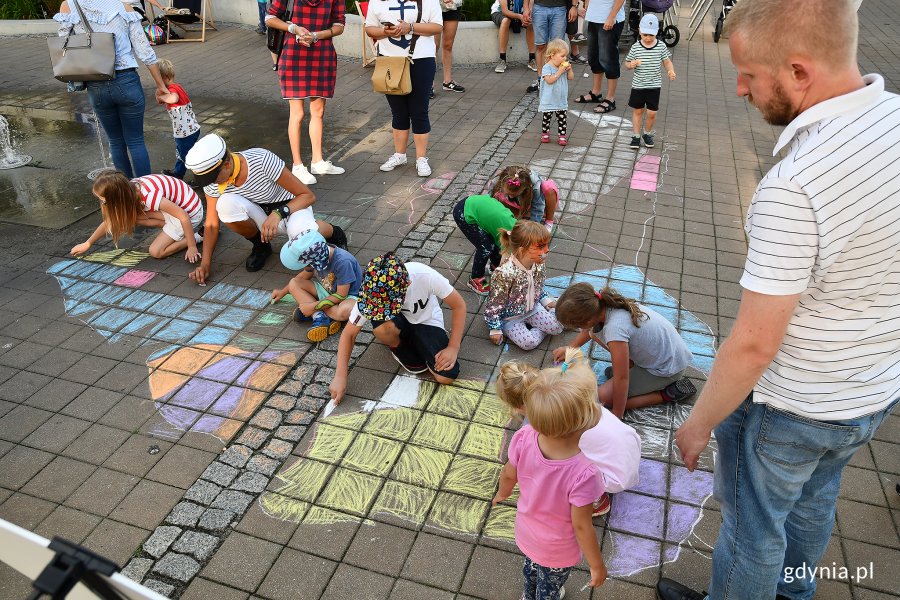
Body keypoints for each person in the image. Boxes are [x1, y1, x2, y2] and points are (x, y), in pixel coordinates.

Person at [657, 1, 900, 599]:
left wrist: (697, 423)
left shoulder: (796, 185)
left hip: (792, 407)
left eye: (748, 74)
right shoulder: (893, 118)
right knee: (813, 508)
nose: (737, 88)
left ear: (798, 72)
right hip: (869, 393)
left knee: (751, 532)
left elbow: (755, 342)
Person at [493, 348, 609, 598]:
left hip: (527, 530)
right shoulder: (585, 472)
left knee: (531, 569)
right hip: (557, 547)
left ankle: (528, 595)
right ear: (583, 421)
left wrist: (502, 494)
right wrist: (597, 565)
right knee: (550, 585)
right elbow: (581, 525)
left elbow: (508, 475)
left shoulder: (524, 436)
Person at [184, 133, 347, 284]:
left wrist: (278, 213)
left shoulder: (261, 159)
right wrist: (205, 264)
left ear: (226, 164)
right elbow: (212, 224)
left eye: (212, 177)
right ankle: (261, 246)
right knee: (224, 205)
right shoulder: (213, 183)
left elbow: (307, 196)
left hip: (291, 207)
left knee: (303, 243)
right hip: (260, 214)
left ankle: (334, 232)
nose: (211, 182)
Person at [496, 349, 641, 516]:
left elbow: (517, 469)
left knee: (556, 468)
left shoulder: (550, 426)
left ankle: (596, 501)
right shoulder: (569, 395)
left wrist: (504, 491)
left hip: (615, 475)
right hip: (629, 448)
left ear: (518, 408)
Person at [329, 252, 465, 404]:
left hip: (426, 322)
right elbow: (349, 334)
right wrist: (340, 376)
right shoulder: (372, 291)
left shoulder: (424, 276)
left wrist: (453, 347)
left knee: (446, 377)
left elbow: (459, 305)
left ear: (408, 284)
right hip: (395, 324)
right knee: (385, 330)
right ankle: (398, 346)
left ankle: (418, 345)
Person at [54, 0, 169, 179]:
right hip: (127, 80)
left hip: (96, 84)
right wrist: (161, 85)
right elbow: (144, 50)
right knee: (136, 141)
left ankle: (124, 195)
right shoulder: (125, 8)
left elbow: (64, 43)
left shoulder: (69, 6)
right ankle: (146, 194)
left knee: (115, 142)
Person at [553, 283, 696, 419]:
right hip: (664, 355)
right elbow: (589, 331)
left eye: (576, 325)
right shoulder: (604, 305)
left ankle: (667, 394)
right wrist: (570, 348)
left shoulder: (615, 330)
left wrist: (616, 415)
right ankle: (632, 369)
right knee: (596, 336)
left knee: (603, 399)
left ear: (588, 320)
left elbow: (622, 379)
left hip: (666, 369)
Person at [265, 0, 345, 185]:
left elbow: (339, 25)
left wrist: (316, 35)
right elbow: (270, 18)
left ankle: (318, 162)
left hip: (322, 54)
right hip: (293, 55)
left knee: (318, 112)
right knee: (297, 113)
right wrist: (294, 28)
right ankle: (298, 166)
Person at [365, 0, 443, 177]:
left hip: (421, 59)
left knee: (419, 110)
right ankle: (400, 155)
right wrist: (385, 31)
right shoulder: (377, 1)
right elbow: (369, 28)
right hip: (389, 61)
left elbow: (437, 26)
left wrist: (411, 28)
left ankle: (421, 158)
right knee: (398, 111)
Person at [71, 171, 203, 262]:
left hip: (190, 212)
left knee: (156, 251)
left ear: (117, 198)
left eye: (104, 200)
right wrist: (88, 243)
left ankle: (199, 236)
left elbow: (183, 216)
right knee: (132, 217)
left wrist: (191, 246)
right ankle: (175, 229)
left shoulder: (148, 196)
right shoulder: (128, 189)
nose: (103, 203)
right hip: (177, 208)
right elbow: (111, 221)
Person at [272, 229, 363, 343]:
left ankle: (317, 314)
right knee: (294, 283)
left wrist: (311, 307)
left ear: (316, 261)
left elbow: (341, 296)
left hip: (349, 297)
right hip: (328, 292)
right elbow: (302, 277)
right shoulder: (316, 255)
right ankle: (321, 316)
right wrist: (283, 291)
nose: (307, 266)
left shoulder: (343, 262)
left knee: (345, 311)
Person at [484, 221, 563, 350]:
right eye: (541, 247)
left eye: (546, 245)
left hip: (532, 308)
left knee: (557, 328)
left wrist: (545, 301)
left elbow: (538, 287)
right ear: (522, 250)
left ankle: (554, 313)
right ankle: (548, 321)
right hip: (510, 318)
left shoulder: (539, 263)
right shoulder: (505, 273)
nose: (547, 250)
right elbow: (494, 303)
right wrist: (495, 328)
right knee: (528, 343)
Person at [624, 14, 675, 149]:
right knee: (638, 111)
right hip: (638, 85)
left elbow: (667, 61)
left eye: (651, 35)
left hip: (654, 85)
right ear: (640, 31)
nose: (647, 38)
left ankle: (647, 133)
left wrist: (670, 71)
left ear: (656, 33)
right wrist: (631, 64)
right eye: (645, 34)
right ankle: (635, 136)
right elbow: (627, 63)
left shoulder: (661, 46)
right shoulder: (636, 47)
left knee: (652, 113)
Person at [452, 194, 520, 295]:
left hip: (477, 204)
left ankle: (495, 264)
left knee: (492, 243)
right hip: (464, 212)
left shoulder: (516, 229)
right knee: (486, 248)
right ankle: (475, 278)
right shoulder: (512, 239)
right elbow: (506, 256)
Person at [574, 0, 624, 113]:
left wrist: (612, 16)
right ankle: (596, 93)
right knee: (594, 57)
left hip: (609, 19)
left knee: (608, 58)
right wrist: (586, 5)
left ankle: (610, 98)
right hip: (594, 17)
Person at [156, 59, 201, 180]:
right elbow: (160, 100)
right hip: (187, 130)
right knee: (182, 153)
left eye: (157, 79)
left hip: (186, 132)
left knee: (187, 156)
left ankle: (201, 176)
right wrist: (160, 93)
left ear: (163, 77)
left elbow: (173, 99)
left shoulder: (173, 90)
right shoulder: (175, 87)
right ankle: (178, 173)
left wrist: (162, 95)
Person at [523, 0, 576, 94]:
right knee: (540, 46)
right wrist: (526, 7)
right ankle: (541, 80)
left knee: (558, 48)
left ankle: (556, 81)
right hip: (539, 7)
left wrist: (574, 6)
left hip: (560, 8)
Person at [490, 165, 559, 230]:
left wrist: (533, 226)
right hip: (520, 205)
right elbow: (490, 201)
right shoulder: (498, 180)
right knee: (498, 197)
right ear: (501, 183)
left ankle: (549, 221)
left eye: (514, 194)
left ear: (525, 188)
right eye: (508, 194)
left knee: (547, 187)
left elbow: (538, 207)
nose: (511, 196)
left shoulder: (535, 186)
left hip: (533, 202)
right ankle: (520, 215)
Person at [539, 38, 574, 145]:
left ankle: (562, 136)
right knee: (547, 117)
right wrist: (559, 72)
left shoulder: (562, 67)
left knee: (562, 118)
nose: (565, 59)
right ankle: (545, 133)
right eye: (562, 56)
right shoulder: (546, 67)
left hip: (560, 97)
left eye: (566, 56)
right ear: (552, 55)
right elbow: (549, 81)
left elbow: (571, 78)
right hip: (549, 98)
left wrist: (570, 70)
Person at [491, 0, 536, 74]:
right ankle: (502, 59)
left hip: (521, 12)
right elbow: (505, 11)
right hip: (500, 12)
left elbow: (530, 4)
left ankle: (532, 59)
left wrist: (527, 16)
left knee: (530, 22)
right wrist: (520, 17)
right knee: (506, 21)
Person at [434, 0, 465, 93]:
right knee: (434, 46)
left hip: (453, 5)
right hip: (434, 6)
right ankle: (429, 84)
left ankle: (447, 82)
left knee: (448, 45)